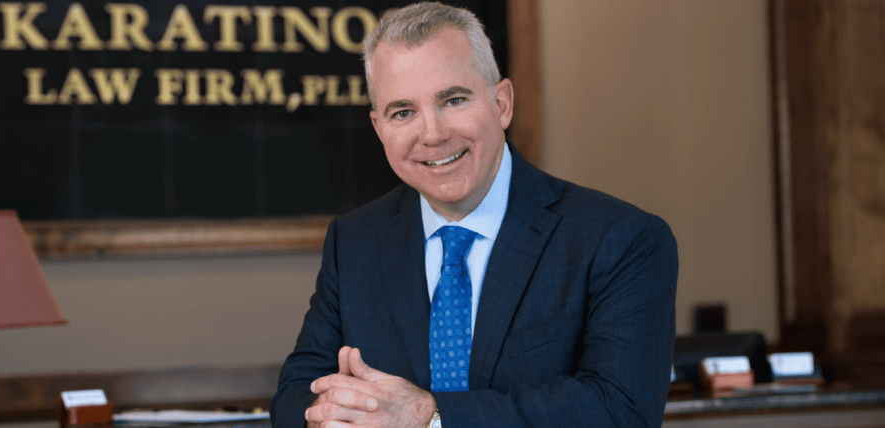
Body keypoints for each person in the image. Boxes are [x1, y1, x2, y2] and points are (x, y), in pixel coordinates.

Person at [270, 2, 678, 427]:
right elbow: (295, 395)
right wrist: (330, 418)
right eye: (403, 112)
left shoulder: (620, 238)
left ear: (501, 104)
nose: (433, 134)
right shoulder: (353, 241)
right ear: (379, 129)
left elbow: (620, 409)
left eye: (454, 99)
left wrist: (429, 417)